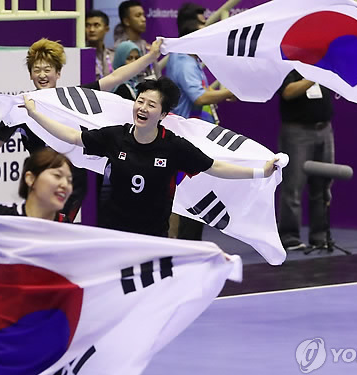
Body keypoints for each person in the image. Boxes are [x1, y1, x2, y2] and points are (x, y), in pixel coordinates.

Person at [22, 77, 279, 237]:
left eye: (151, 105)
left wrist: (260, 171)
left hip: (154, 235)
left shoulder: (175, 147)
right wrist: (35, 115)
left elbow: (215, 167)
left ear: (163, 114)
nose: (142, 108)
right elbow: (73, 136)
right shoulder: (115, 137)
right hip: (115, 232)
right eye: (140, 101)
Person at [0, 37, 163, 221]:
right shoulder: (22, 106)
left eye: (47, 70)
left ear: (58, 73)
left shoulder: (73, 98)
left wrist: (152, 56)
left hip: (72, 181)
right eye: (37, 70)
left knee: (57, 228)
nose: (42, 75)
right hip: (40, 181)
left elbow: (115, 77)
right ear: (30, 75)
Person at [166, 8, 235, 240]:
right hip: (186, 136)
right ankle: (183, 247)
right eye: (203, 27)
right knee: (187, 195)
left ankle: (189, 244)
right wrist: (227, 92)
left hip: (196, 135)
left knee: (195, 194)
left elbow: (203, 95)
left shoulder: (192, 60)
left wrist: (223, 94)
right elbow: (199, 98)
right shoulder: (183, 60)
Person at [277, 70, 335, 251]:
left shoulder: (321, 63)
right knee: (293, 186)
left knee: (323, 186)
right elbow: (287, 92)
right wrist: (315, 76)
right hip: (297, 132)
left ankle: (320, 236)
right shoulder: (288, 64)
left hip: (324, 129)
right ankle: (289, 237)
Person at [0, 148, 73, 222]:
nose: (65, 185)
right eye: (57, 175)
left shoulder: (70, 234)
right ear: (30, 178)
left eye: (69, 181)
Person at [114, 0, 160, 81]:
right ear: (126, 21)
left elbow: (157, 74)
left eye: (143, 15)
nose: (143, 19)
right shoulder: (120, 48)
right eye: (138, 16)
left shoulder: (147, 46)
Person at [86, 9, 114, 80]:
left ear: (106, 29)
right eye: (87, 25)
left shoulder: (114, 55)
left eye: (96, 25)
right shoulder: (80, 57)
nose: (91, 30)